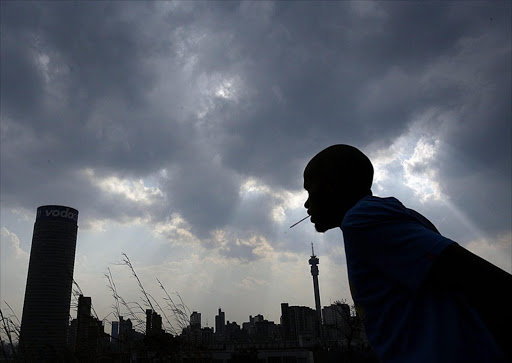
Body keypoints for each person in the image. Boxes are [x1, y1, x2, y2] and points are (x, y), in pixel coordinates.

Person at [303, 144, 512, 362]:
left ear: (332, 185)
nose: (307, 203)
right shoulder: (405, 219)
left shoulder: (363, 219)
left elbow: (476, 276)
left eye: (310, 189)